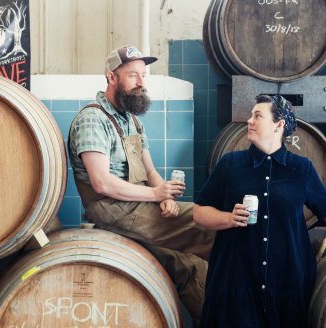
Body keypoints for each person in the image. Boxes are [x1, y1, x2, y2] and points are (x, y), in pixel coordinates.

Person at [192, 94, 326, 327]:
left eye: (257, 116)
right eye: (250, 116)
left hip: (287, 278)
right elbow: (199, 212)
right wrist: (228, 218)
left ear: (279, 125)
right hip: (236, 277)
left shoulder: (301, 168)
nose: (249, 121)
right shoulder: (230, 164)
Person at [67, 45, 215, 325]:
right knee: (204, 221)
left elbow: (150, 172)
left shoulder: (132, 121)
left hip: (136, 205)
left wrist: (165, 198)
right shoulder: (92, 119)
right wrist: (156, 193)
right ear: (112, 78)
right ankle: (279, 262)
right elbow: (101, 183)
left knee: (188, 267)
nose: (141, 83)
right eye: (133, 75)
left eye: (143, 76)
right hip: (109, 208)